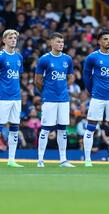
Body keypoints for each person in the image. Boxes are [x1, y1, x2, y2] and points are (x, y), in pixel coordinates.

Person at [83, 30, 109, 167]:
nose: (108, 41)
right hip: (98, 98)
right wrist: (92, 91)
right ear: (99, 41)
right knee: (90, 127)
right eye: (105, 39)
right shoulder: (92, 57)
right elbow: (86, 76)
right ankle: (88, 160)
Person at [35, 32, 75, 168]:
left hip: (63, 99)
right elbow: (38, 80)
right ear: (51, 43)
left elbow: (71, 77)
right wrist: (46, 92)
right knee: (46, 128)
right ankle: (40, 159)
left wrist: (64, 87)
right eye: (58, 42)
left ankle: (63, 160)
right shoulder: (44, 59)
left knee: (62, 129)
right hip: (49, 99)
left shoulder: (68, 59)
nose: (61, 44)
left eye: (62, 42)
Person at [0, 29, 24, 168]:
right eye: (10, 37)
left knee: (14, 127)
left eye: (15, 37)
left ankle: (11, 160)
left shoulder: (19, 57)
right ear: (4, 40)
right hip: (3, 97)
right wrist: (0, 90)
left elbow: (18, 75)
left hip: (16, 97)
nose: (13, 40)